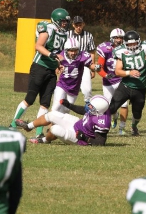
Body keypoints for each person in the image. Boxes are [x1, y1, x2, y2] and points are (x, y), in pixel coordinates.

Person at [10, 8, 70, 139]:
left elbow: (59, 51)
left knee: (45, 103)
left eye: (66, 21)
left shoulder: (65, 34)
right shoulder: (48, 28)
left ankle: (38, 132)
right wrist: (51, 55)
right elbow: (38, 46)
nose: (65, 23)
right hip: (40, 67)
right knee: (30, 99)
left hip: (51, 71)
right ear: (56, 20)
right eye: (63, 21)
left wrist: (59, 64)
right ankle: (13, 124)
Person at [15, 95, 111, 146]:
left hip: (79, 137)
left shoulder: (103, 122)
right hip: (77, 124)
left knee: (55, 129)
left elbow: (100, 142)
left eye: (91, 106)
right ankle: (29, 126)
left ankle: (44, 140)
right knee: (52, 115)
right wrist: (69, 105)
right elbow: (83, 110)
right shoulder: (99, 109)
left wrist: (84, 138)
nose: (88, 106)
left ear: (98, 110)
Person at [109, 30, 146, 136]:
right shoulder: (121, 51)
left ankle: (134, 127)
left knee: (137, 113)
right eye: (129, 44)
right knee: (112, 107)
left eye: (134, 43)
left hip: (140, 87)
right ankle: (104, 126)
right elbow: (117, 71)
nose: (132, 46)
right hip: (125, 85)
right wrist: (129, 72)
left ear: (139, 42)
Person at [95, 28, 130, 136]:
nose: (119, 40)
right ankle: (114, 117)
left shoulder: (127, 49)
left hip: (121, 79)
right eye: (116, 38)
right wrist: (106, 75)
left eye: (121, 38)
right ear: (111, 38)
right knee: (109, 106)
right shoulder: (105, 49)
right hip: (108, 81)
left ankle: (122, 128)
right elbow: (98, 67)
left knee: (124, 104)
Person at [51, 37, 96, 113]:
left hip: (74, 87)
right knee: (56, 107)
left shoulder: (83, 56)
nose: (73, 53)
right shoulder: (61, 56)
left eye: (75, 50)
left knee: (66, 110)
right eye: (71, 50)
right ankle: (49, 124)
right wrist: (57, 67)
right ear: (66, 50)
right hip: (62, 84)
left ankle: (58, 123)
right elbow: (55, 66)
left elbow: (91, 65)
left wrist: (96, 68)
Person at [67, 16, 96, 103]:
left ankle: (89, 109)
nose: (78, 27)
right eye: (76, 25)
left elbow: (91, 52)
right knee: (67, 89)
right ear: (73, 25)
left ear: (83, 24)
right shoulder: (68, 35)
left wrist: (92, 68)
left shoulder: (88, 35)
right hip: (70, 64)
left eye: (80, 25)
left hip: (84, 65)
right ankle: (64, 110)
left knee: (87, 90)